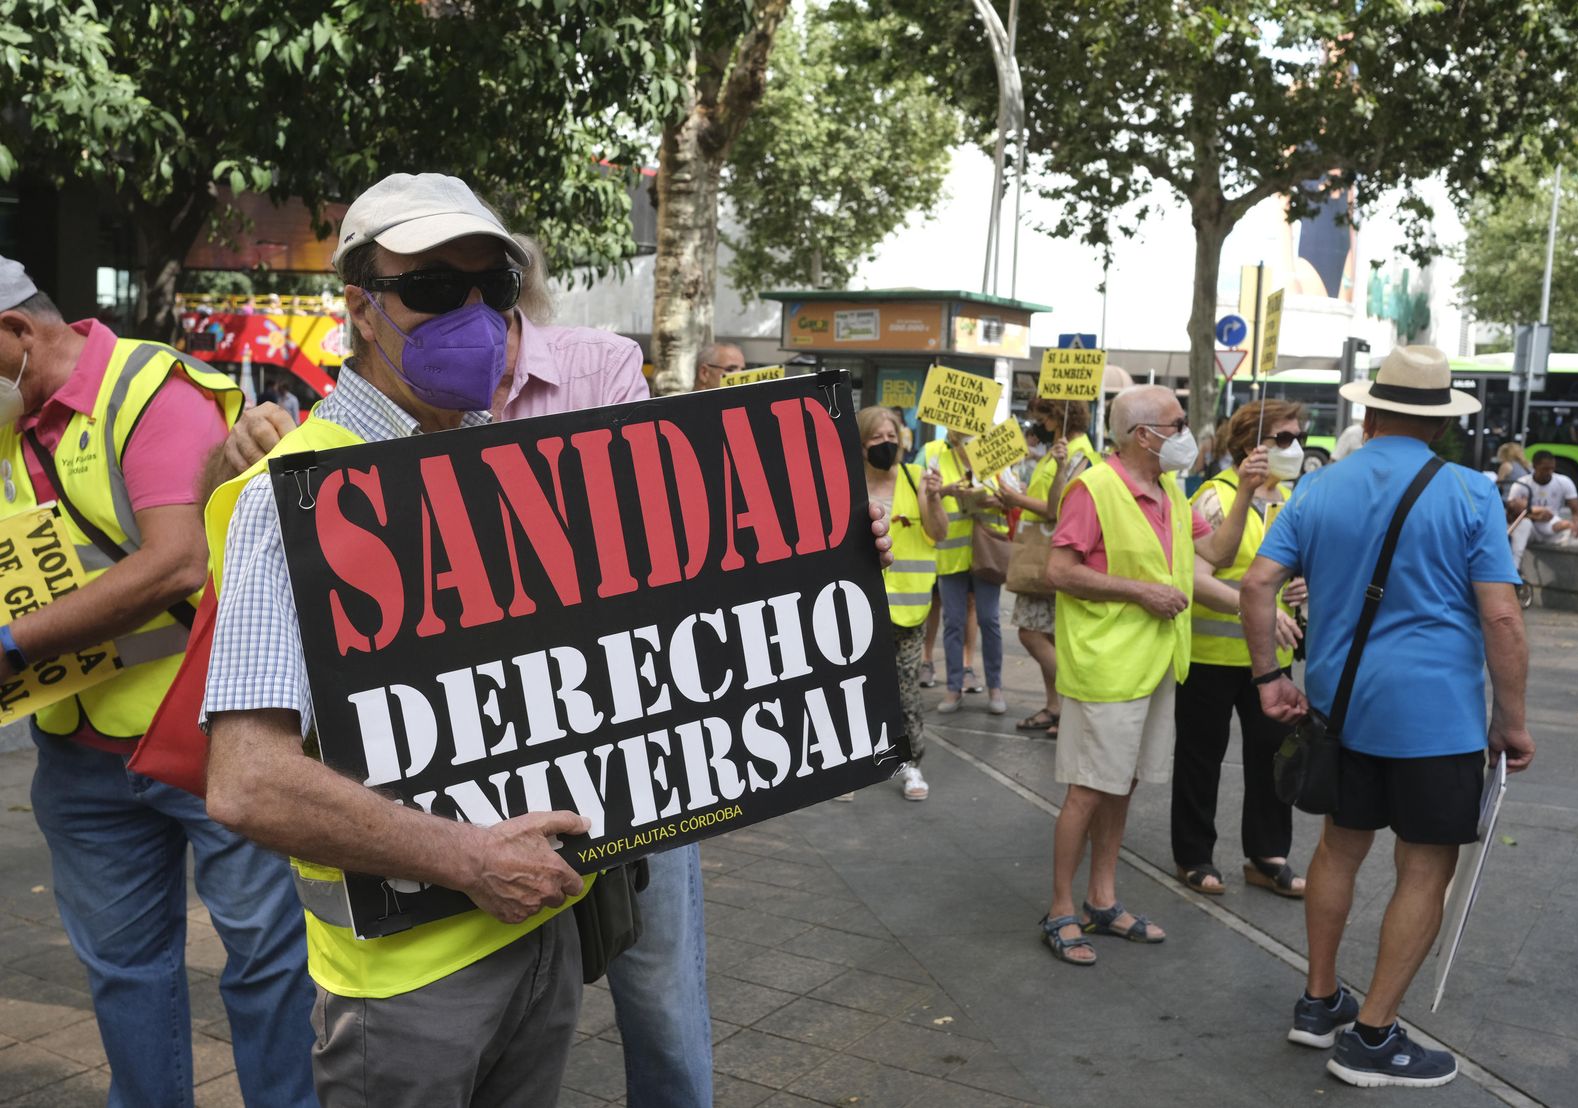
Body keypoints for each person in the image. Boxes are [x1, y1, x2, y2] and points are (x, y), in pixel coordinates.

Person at [203, 175, 897, 1107]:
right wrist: (468, 860)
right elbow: (247, 781)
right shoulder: (286, 499)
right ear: (362, 309)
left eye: (491, 287)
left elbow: (658, 617)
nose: (473, 314)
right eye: (434, 290)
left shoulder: (512, 468)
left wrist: (820, 550)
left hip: (544, 934)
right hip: (410, 986)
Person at [0, 256, 316, 1106]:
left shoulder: (148, 390)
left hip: (214, 739)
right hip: (81, 756)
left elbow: (174, 564)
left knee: (265, 964)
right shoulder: (9, 426)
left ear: (19, 334)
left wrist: (9, 643)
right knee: (125, 973)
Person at [1241, 344, 1533, 1089]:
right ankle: (1371, 1038)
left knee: (1340, 848)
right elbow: (1501, 618)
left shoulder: (1318, 487)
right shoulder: (1471, 493)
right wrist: (1513, 719)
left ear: (1369, 413)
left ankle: (1318, 1003)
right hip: (1436, 717)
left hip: (1340, 706)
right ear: (1440, 425)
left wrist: (1271, 676)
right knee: (1425, 864)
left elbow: (1258, 584)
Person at [1040, 385, 1269, 966]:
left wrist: (1243, 491)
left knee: (1125, 784)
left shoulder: (1169, 488)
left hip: (1157, 664)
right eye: (1177, 422)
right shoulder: (1093, 489)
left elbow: (1213, 550)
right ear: (1144, 435)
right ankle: (1061, 908)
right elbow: (1059, 570)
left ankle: (1103, 898)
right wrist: (1140, 591)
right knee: (1089, 790)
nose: (1187, 431)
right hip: (1107, 666)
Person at [1172, 400, 1308, 897]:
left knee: (1275, 757)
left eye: (1299, 436)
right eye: (1286, 437)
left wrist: (1304, 588)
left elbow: (1300, 569)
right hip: (1212, 656)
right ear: (1253, 443)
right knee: (1200, 757)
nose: (1297, 446)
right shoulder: (1214, 497)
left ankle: (1267, 855)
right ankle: (1194, 856)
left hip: (1272, 662)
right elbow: (1193, 578)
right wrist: (1255, 609)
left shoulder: (1294, 500)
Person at [996, 399, 1098, 737]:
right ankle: (1057, 707)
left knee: (1030, 633)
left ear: (1056, 417)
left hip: (1054, 554)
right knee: (1050, 634)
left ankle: (1076, 702)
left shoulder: (1078, 454)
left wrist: (1017, 499)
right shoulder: (1061, 450)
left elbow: (1057, 509)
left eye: (1041, 418)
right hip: (1045, 550)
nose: (1037, 424)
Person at [860, 405, 947, 800]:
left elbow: (938, 533)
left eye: (892, 437)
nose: (886, 444)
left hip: (909, 611)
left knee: (907, 691)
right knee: (857, 690)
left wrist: (934, 499)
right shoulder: (847, 483)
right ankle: (854, 765)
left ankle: (912, 764)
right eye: (876, 438)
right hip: (858, 608)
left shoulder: (916, 479)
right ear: (860, 443)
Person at [925, 428, 1008, 716]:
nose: (963, 436)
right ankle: (953, 687)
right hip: (952, 551)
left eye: (970, 431)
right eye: (959, 432)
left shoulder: (996, 458)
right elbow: (928, 497)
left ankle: (996, 687)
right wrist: (946, 491)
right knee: (953, 622)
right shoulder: (937, 457)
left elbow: (1013, 497)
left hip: (987, 550)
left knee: (989, 619)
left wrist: (998, 499)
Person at [1506, 450, 1578, 568]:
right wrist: (1534, 515)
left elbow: (1576, 511)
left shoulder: (1564, 481)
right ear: (1535, 466)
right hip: (1530, 530)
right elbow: (1510, 515)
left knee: (1575, 536)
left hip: (1552, 527)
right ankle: (1515, 567)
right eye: (1545, 469)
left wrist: (1576, 525)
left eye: (1552, 468)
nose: (1549, 472)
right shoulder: (1522, 484)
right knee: (1525, 524)